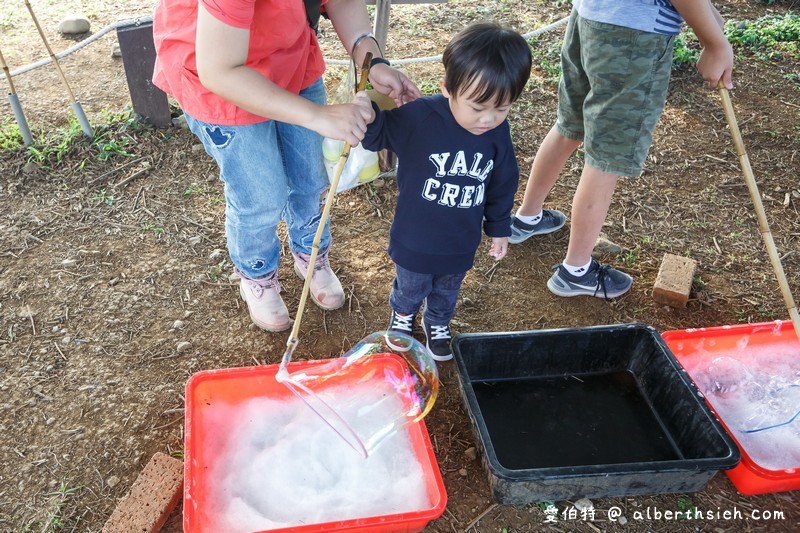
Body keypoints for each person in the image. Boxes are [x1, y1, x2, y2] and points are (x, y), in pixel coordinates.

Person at [151, 0, 420, 332]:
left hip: (291, 62)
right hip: (221, 84)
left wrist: (371, 56)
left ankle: (311, 252)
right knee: (260, 196)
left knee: (311, 178)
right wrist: (318, 117)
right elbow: (220, 70)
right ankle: (257, 272)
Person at [509, 0, 733, 299]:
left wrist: (709, 15)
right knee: (607, 156)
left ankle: (527, 218)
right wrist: (714, 43)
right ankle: (576, 271)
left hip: (590, 16)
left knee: (569, 127)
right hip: (634, 37)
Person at [360, 22, 532, 360]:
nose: (488, 119)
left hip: (460, 238)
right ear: (448, 89)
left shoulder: (497, 133)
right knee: (410, 287)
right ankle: (403, 317)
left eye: (502, 108)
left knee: (447, 289)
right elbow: (380, 134)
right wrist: (367, 112)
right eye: (478, 108)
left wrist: (499, 228)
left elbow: (502, 182)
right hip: (415, 235)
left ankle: (437, 322)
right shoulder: (421, 117)